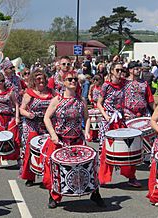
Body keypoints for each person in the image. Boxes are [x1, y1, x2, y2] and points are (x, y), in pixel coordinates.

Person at [43, 70, 105, 209]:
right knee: (55, 168)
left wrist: (87, 132)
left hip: (77, 139)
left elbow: (87, 118)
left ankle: (95, 193)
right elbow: (46, 118)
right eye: (70, 79)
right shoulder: (57, 100)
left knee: (89, 165)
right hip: (60, 140)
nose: (72, 82)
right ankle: (54, 196)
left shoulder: (81, 100)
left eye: (75, 80)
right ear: (64, 82)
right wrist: (53, 135)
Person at [97, 62, 137, 186]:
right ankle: (103, 178)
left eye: (122, 70)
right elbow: (99, 103)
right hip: (108, 119)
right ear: (112, 71)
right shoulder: (106, 86)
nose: (120, 73)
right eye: (118, 70)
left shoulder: (124, 84)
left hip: (120, 118)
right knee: (107, 150)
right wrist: (105, 115)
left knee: (128, 147)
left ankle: (131, 176)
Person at [19, 69, 54, 187]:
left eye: (43, 78)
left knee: (47, 150)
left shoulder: (52, 92)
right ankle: (30, 177)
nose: (41, 81)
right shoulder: (29, 93)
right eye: (38, 79)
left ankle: (46, 177)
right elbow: (22, 109)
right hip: (32, 124)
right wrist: (29, 115)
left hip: (47, 124)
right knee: (31, 149)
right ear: (34, 81)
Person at [0, 72, 21, 170]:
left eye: (2, 80)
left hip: (9, 117)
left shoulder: (10, 91)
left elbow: (16, 104)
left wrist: (17, 117)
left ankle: (18, 158)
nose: (1, 83)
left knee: (14, 138)